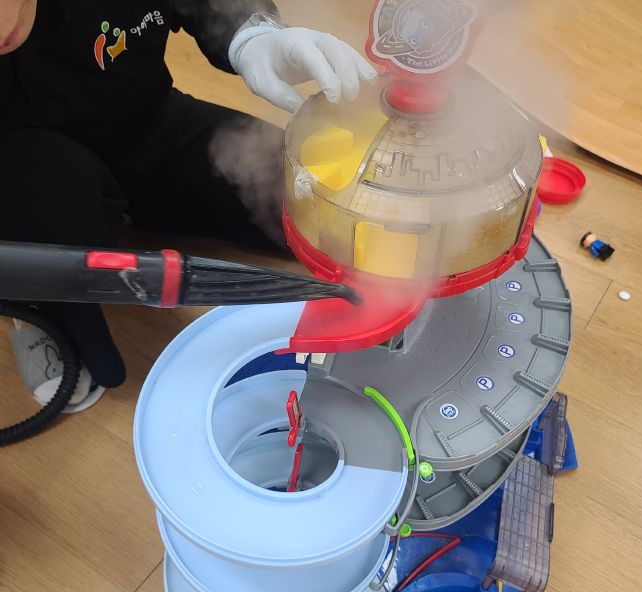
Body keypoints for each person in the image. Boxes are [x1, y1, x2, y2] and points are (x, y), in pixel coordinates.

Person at [0, 0, 376, 411]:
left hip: (141, 120)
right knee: (49, 212)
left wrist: (251, 33)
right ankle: (34, 297)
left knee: (301, 190)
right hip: (18, 154)